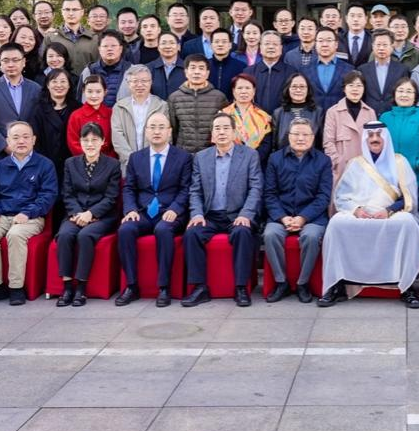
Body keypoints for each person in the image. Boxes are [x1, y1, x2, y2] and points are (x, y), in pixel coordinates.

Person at [318, 123, 419, 308]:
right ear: (365, 139)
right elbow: (342, 196)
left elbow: (407, 197)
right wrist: (356, 209)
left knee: (407, 223)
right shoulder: (355, 163)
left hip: (389, 213)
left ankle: (407, 287)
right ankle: (337, 285)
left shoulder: (399, 162)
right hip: (360, 213)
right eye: (370, 135)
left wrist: (388, 210)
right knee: (336, 223)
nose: (375, 139)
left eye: (379, 135)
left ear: (386, 138)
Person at [181, 114, 264, 308]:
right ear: (212, 134)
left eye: (226, 128)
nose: (221, 132)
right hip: (210, 215)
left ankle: (241, 287)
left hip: (237, 214)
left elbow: (256, 188)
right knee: (192, 233)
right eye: (217, 128)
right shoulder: (201, 157)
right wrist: (197, 214)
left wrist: (246, 214)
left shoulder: (250, 155)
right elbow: (195, 190)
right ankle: (200, 287)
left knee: (243, 232)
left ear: (234, 132)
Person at [0, 121, 59, 306]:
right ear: (8, 141)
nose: (21, 141)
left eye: (26, 137)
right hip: (2, 215)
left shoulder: (45, 165)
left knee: (15, 235)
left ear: (34, 140)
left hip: (31, 217)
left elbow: (48, 196)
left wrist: (28, 213)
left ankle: (16, 287)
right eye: (16, 137)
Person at [116, 113, 193, 307]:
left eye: (161, 127)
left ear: (169, 131)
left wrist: (175, 209)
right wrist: (130, 210)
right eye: (152, 127)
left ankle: (164, 287)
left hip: (170, 212)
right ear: (146, 131)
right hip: (143, 212)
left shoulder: (183, 157)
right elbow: (129, 188)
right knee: (125, 230)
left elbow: (186, 189)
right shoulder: (136, 158)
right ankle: (132, 286)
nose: (156, 131)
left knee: (163, 229)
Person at [262, 117, 332, 304]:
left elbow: (323, 196)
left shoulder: (323, 161)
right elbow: (269, 194)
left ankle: (303, 283)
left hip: (312, 217)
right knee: (270, 235)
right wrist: (283, 217)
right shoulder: (275, 159)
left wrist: (302, 218)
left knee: (311, 237)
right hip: (281, 215)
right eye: (296, 134)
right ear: (289, 136)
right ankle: (281, 282)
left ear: (313, 137)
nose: (301, 138)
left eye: (305, 134)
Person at [53, 122, 121, 307]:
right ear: (80, 142)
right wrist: (77, 213)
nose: (90, 144)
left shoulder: (113, 165)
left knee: (85, 235)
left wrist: (90, 214)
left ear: (103, 141)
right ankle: (67, 287)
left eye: (94, 140)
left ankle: (81, 288)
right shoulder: (71, 163)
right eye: (86, 140)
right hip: (75, 214)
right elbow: (67, 194)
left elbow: (111, 197)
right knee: (65, 235)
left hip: (102, 216)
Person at [0, 43, 41, 162]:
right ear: (0, 63)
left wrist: (27, 147)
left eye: (15, 60)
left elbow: (39, 122)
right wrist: (6, 147)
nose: (11, 64)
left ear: (24, 62)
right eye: (6, 60)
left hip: (30, 154)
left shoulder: (36, 89)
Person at [324, 69, 379, 184]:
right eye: (351, 85)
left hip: (365, 169)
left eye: (359, 85)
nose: (355, 89)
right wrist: (337, 161)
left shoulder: (370, 112)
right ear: (344, 89)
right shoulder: (333, 112)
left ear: (364, 89)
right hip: (341, 169)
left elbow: (375, 142)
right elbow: (328, 142)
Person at [167, 53, 228, 153]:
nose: (197, 72)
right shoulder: (174, 98)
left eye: (201, 68)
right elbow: (173, 129)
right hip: (183, 153)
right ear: (186, 72)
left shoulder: (219, 97)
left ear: (207, 73)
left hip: (210, 153)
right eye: (193, 68)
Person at [379, 78, 419, 182]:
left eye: (409, 91)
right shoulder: (385, 118)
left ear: (415, 96)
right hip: (389, 177)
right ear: (394, 94)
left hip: (417, 176)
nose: (404, 95)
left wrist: (418, 163)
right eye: (400, 91)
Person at [113, 65, 167, 172]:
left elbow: (165, 136)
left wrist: (151, 159)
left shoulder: (161, 106)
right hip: (128, 165)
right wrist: (132, 160)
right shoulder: (119, 107)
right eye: (135, 81)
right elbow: (117, 137)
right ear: (128, 83)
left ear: (151, 82)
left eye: (144, 81)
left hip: (155, 163)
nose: (140, 85)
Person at [29, 68, 78, 185]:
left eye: (63, 81)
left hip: (72, 165)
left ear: (69, 85)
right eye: (54, 81)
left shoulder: (77, 108)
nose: (59, 85)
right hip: (46, 164)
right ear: (47, 85)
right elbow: (34, 140)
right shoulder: (38, 109)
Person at [222, 73, 274, 169]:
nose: (244, 91)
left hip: (256, 164)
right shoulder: (224, 114)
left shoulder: (263, 116)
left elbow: (266, 144)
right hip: (229, 163)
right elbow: (219, 139)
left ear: (254, 91)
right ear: (233, 91)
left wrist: (251, 159)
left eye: (247, 88)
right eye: (240, 88)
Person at [42, 0, 98, 74]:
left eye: (75, 9)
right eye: (67, 9)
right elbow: (43, 65)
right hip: (59, 81)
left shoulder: (94, 38)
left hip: (87, 81)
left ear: (82, 12)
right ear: (62, 12)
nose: (71, 13)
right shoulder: (51, 37)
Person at [359, 29, 410, 115]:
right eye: (378, 45)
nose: (381, 48)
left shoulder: (402, 70)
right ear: (373, 46)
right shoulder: (363, 70)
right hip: (369, 115)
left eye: (385, 45)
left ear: (392, 46)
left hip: (394, 115)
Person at [304, 28, 356, 112]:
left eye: (329, 40)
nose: (325, 44)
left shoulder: (349, 70)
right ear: (315, 44)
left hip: (339, 116)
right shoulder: (305, 70)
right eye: (320, 41)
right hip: (312, 116)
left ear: (336, 44)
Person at [243, 30, 294, 114]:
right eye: (267, 44)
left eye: (275, 44)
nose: (271, 47)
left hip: (283, 117)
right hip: (255, 118)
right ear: (260, 47)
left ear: (281, 48)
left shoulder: (291, 72)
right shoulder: (249, 72)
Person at [272, 72, 323, 153]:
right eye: (294, 87)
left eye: (302, 87)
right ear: (288, 89)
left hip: (312, 157)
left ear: (308, 89)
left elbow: (321, 141)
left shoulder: (318, 112)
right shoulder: (278, 113)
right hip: (284, 157)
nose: (298, 90)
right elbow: (274, 144)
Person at [67, 74, 115, 158]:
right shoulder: (76, 115)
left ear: (105, 92)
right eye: (90, 91)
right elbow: (73, 143)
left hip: (108, 161)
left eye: (98, 91)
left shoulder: (111, 114)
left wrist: (107, 160)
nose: (94, 96)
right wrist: (89, 159)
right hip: (84, 161)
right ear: (83, 91)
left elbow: (116, 142)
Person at [78, 30, 130, 106]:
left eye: (113, 46)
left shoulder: (130, 71)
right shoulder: (89, 71)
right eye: (105, 46)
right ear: (99, 49)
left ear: (120, 49)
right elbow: (80, 100)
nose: (109, 49)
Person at [147, 32, 186, 100]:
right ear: (158, 47)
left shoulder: (187, 68)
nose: (168, 46)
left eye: (172, 43)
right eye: (163, 43)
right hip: (156, 106)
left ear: (178, 46)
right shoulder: (148, 68)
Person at [206, 28, 245, 94]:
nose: (220, 44)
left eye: (224, 42)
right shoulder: (205, 65)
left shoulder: (241, 67)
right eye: (216, 41)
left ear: (230, 45)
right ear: (211, 45)